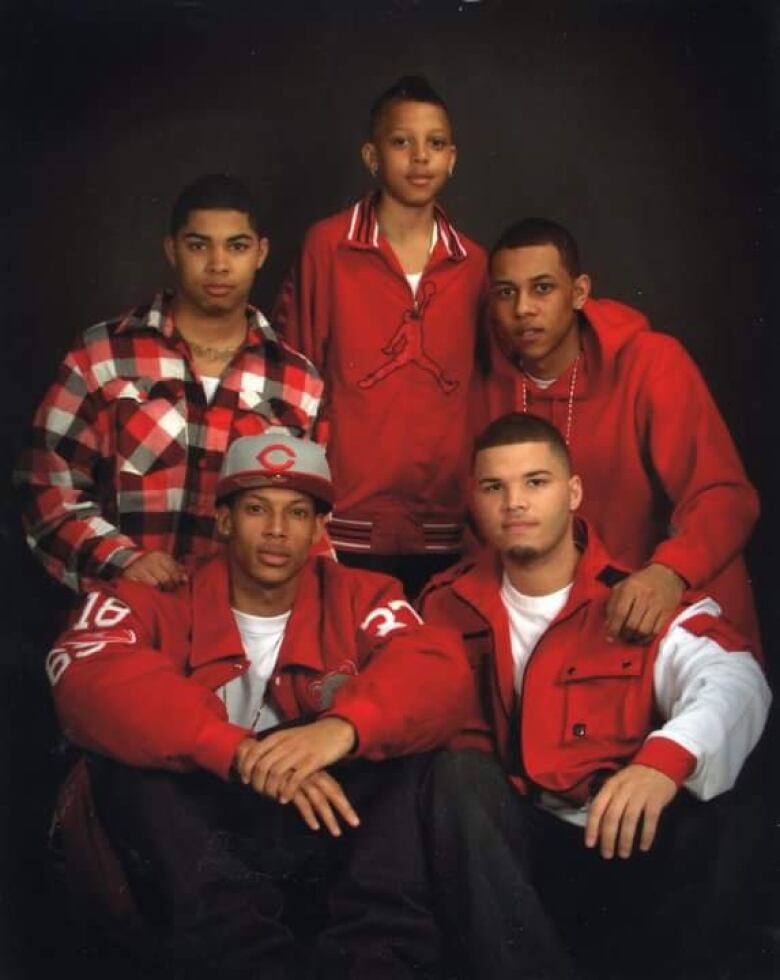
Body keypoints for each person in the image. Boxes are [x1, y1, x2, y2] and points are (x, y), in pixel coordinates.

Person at [48, 430, 470, 978]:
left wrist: (343, 729)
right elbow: (86, 676)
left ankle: (375, 960)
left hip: (314, 833)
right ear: (223, 520)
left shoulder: (363, 596)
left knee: (408, 751)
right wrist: (239, 750)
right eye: (255, 509)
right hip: (198, 846)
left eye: (297, 513)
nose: (277, 531)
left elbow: (438, 671)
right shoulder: (150, 595)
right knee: (126, 762)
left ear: (319, 529)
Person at [419, 412, 771, 979]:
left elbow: (735, 678)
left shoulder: (638, 596)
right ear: (475, 501)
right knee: (457, 774)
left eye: (536, 482)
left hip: (628, 842)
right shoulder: (443, 605)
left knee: (732, 818)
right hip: (513, 859)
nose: (514, 502)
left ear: (573, 492)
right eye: (494, 487)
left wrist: (662, 763)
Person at [15, 174, 322, 593]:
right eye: (199, 245)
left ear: (261, 253)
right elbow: (47, 491)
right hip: (122, 613)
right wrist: (123, 560)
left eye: (237, 246)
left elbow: (313, 525)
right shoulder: (102, 356)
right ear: (171, 249)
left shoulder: (298, 383)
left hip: (240, 627)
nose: (218, 264)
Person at [483, 218, 761, 651]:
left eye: (542, 288)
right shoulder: (488, 381)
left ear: (578, 293)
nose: (523, 309)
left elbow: (724, 495)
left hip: (664, 601)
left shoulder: (650, 362)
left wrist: (670, 572)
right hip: (559, 619)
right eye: (506, 292)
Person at [273, 75, 486, 598]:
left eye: (435, 144)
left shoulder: (475, 264)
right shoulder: (329, 247)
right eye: (401, 142)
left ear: (453, 158)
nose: (420, 157)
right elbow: (290, 380)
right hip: (344, 520)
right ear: (372, 156)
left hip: (444, 524)